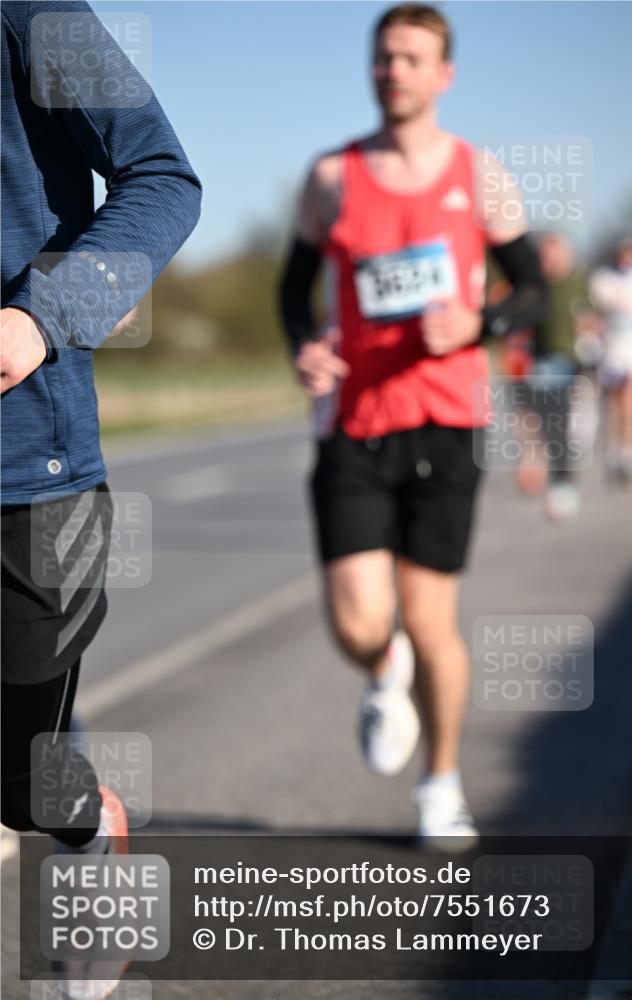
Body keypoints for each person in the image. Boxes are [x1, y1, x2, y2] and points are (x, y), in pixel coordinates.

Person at [278, 2, 547, 846]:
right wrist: (303, 347)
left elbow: (534, 289)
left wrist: (480, 325)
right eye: (384, 57)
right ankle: (381, 667)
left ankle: (440, 783)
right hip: (354, 421)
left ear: (443, 74)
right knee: (359, 623)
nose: (394, 70)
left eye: (412, 58)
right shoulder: (330, 178)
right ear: (371, 69)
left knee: (432, 622)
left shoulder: (480, 173)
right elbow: (291, 290)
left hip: (445, 421)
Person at [1, 3, 201, 996]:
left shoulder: (32, 13)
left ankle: (85, 830)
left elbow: (164, 180)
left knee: (19, 772)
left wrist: (44, 318)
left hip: (24, 463)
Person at [523, 234, 587, 521]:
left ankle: (562, 483)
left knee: (557, 424)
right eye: (544, 256)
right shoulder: (536, 287)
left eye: (553, 255)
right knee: (537, 422)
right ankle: (539, 469)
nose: (548, 261)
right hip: (538, 363)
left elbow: (589, 321)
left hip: (568, 363)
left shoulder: (575, 285)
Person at [589, 238, 632, 483]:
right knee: (617, 403)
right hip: (615, 351)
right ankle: (620, 449)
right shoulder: (605, 279)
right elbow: (602, 306)